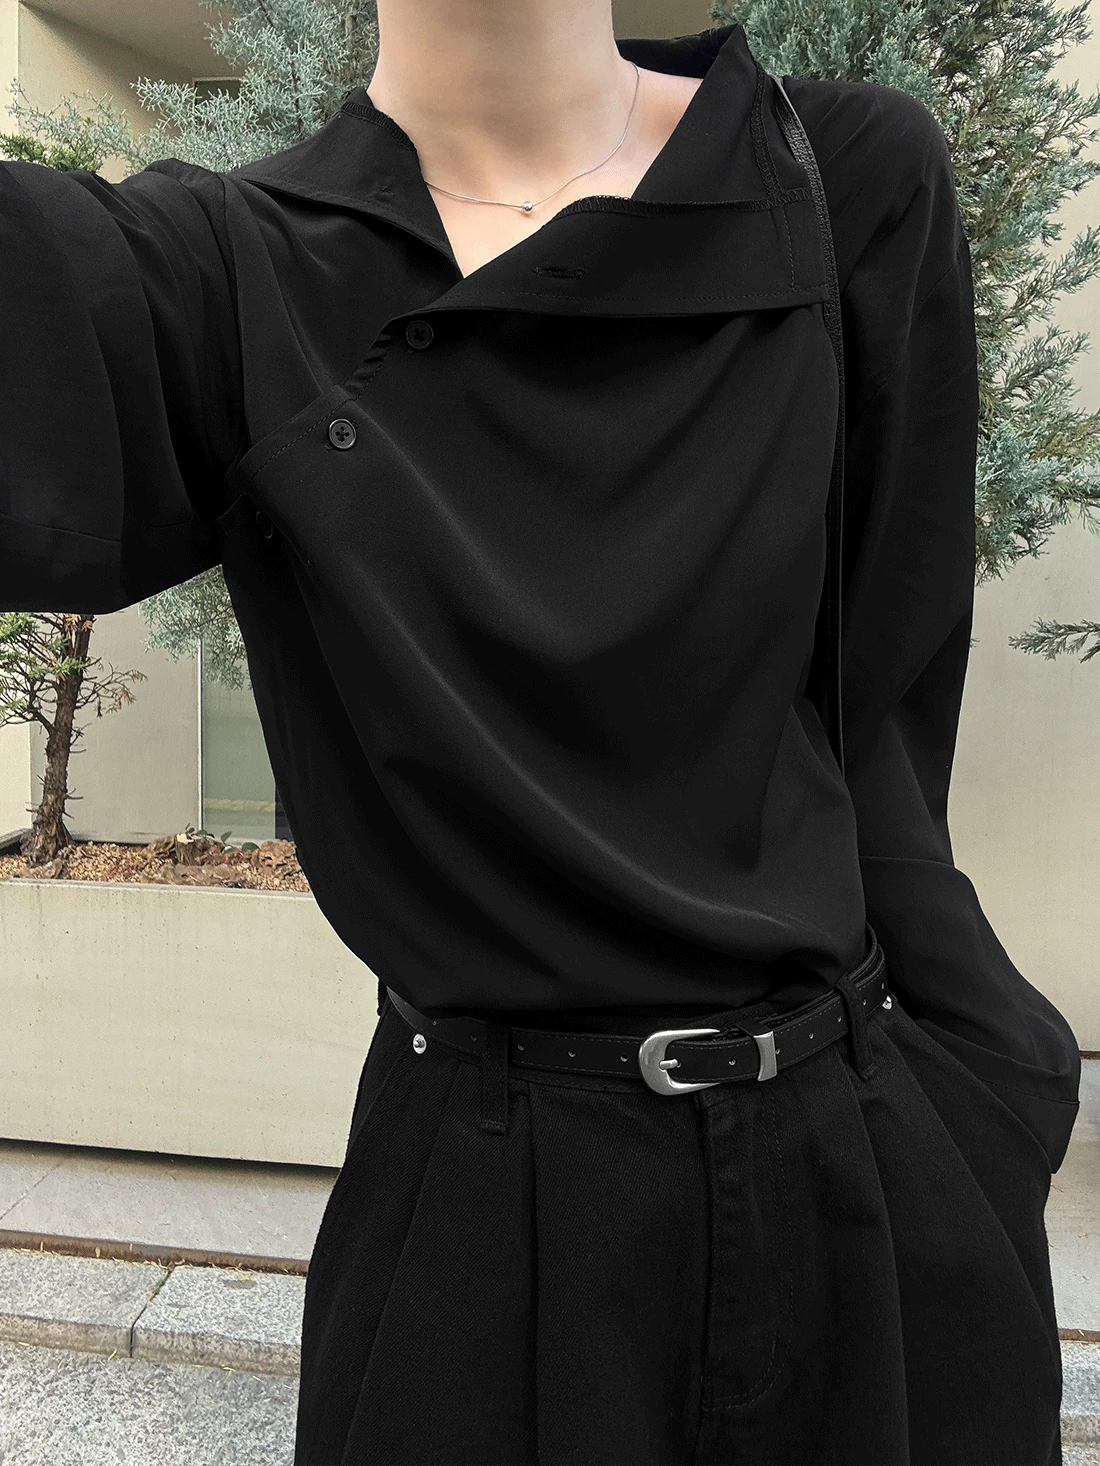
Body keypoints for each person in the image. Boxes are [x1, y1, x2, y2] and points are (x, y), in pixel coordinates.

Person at [0, 3, 1082, 1463]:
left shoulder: (837, 176)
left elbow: (884, 691)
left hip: (866, 1169)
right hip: (480, 1227)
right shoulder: (225, 273)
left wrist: (988, 1086)